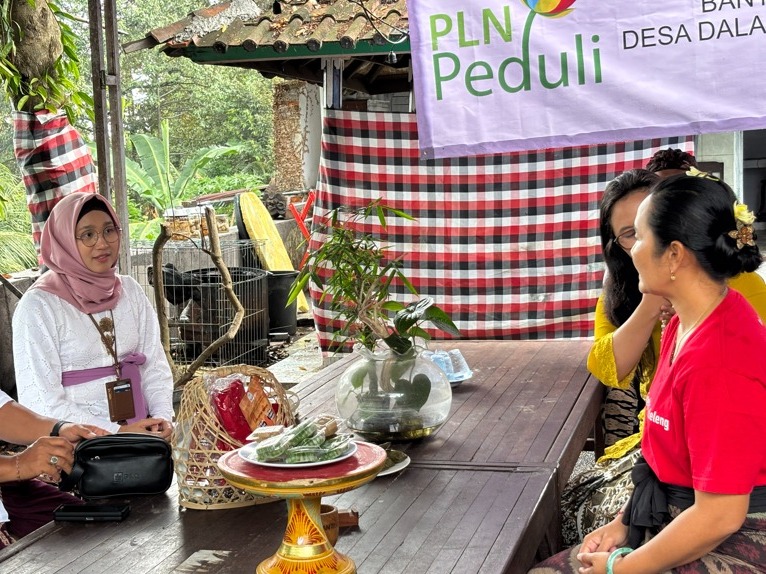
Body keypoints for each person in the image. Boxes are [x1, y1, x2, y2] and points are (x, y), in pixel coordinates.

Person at [532, 172, 766, 573]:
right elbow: (662, 453)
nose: (632, 250)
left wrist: (621, 567)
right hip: (680, 506)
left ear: (674, 255)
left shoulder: (720, 360)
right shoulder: (683, 323)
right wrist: (623, 523)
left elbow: (721, 515)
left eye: (638, 237)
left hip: (737, 531)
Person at [12, 192, 173, 438]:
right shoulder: (39, 306)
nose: (102, 243)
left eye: (109, 230)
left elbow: (154, 365)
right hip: (77, 446)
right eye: (88, 235)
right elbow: (39, 401)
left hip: (143, 435)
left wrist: (162, 417)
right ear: (64, 241)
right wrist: (118, 432)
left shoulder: (130, 291)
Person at [0, 395, 106, 547]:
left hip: (7, 488)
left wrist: (59, 430)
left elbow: (4, 413)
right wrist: (16, 464)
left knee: (99, 528)